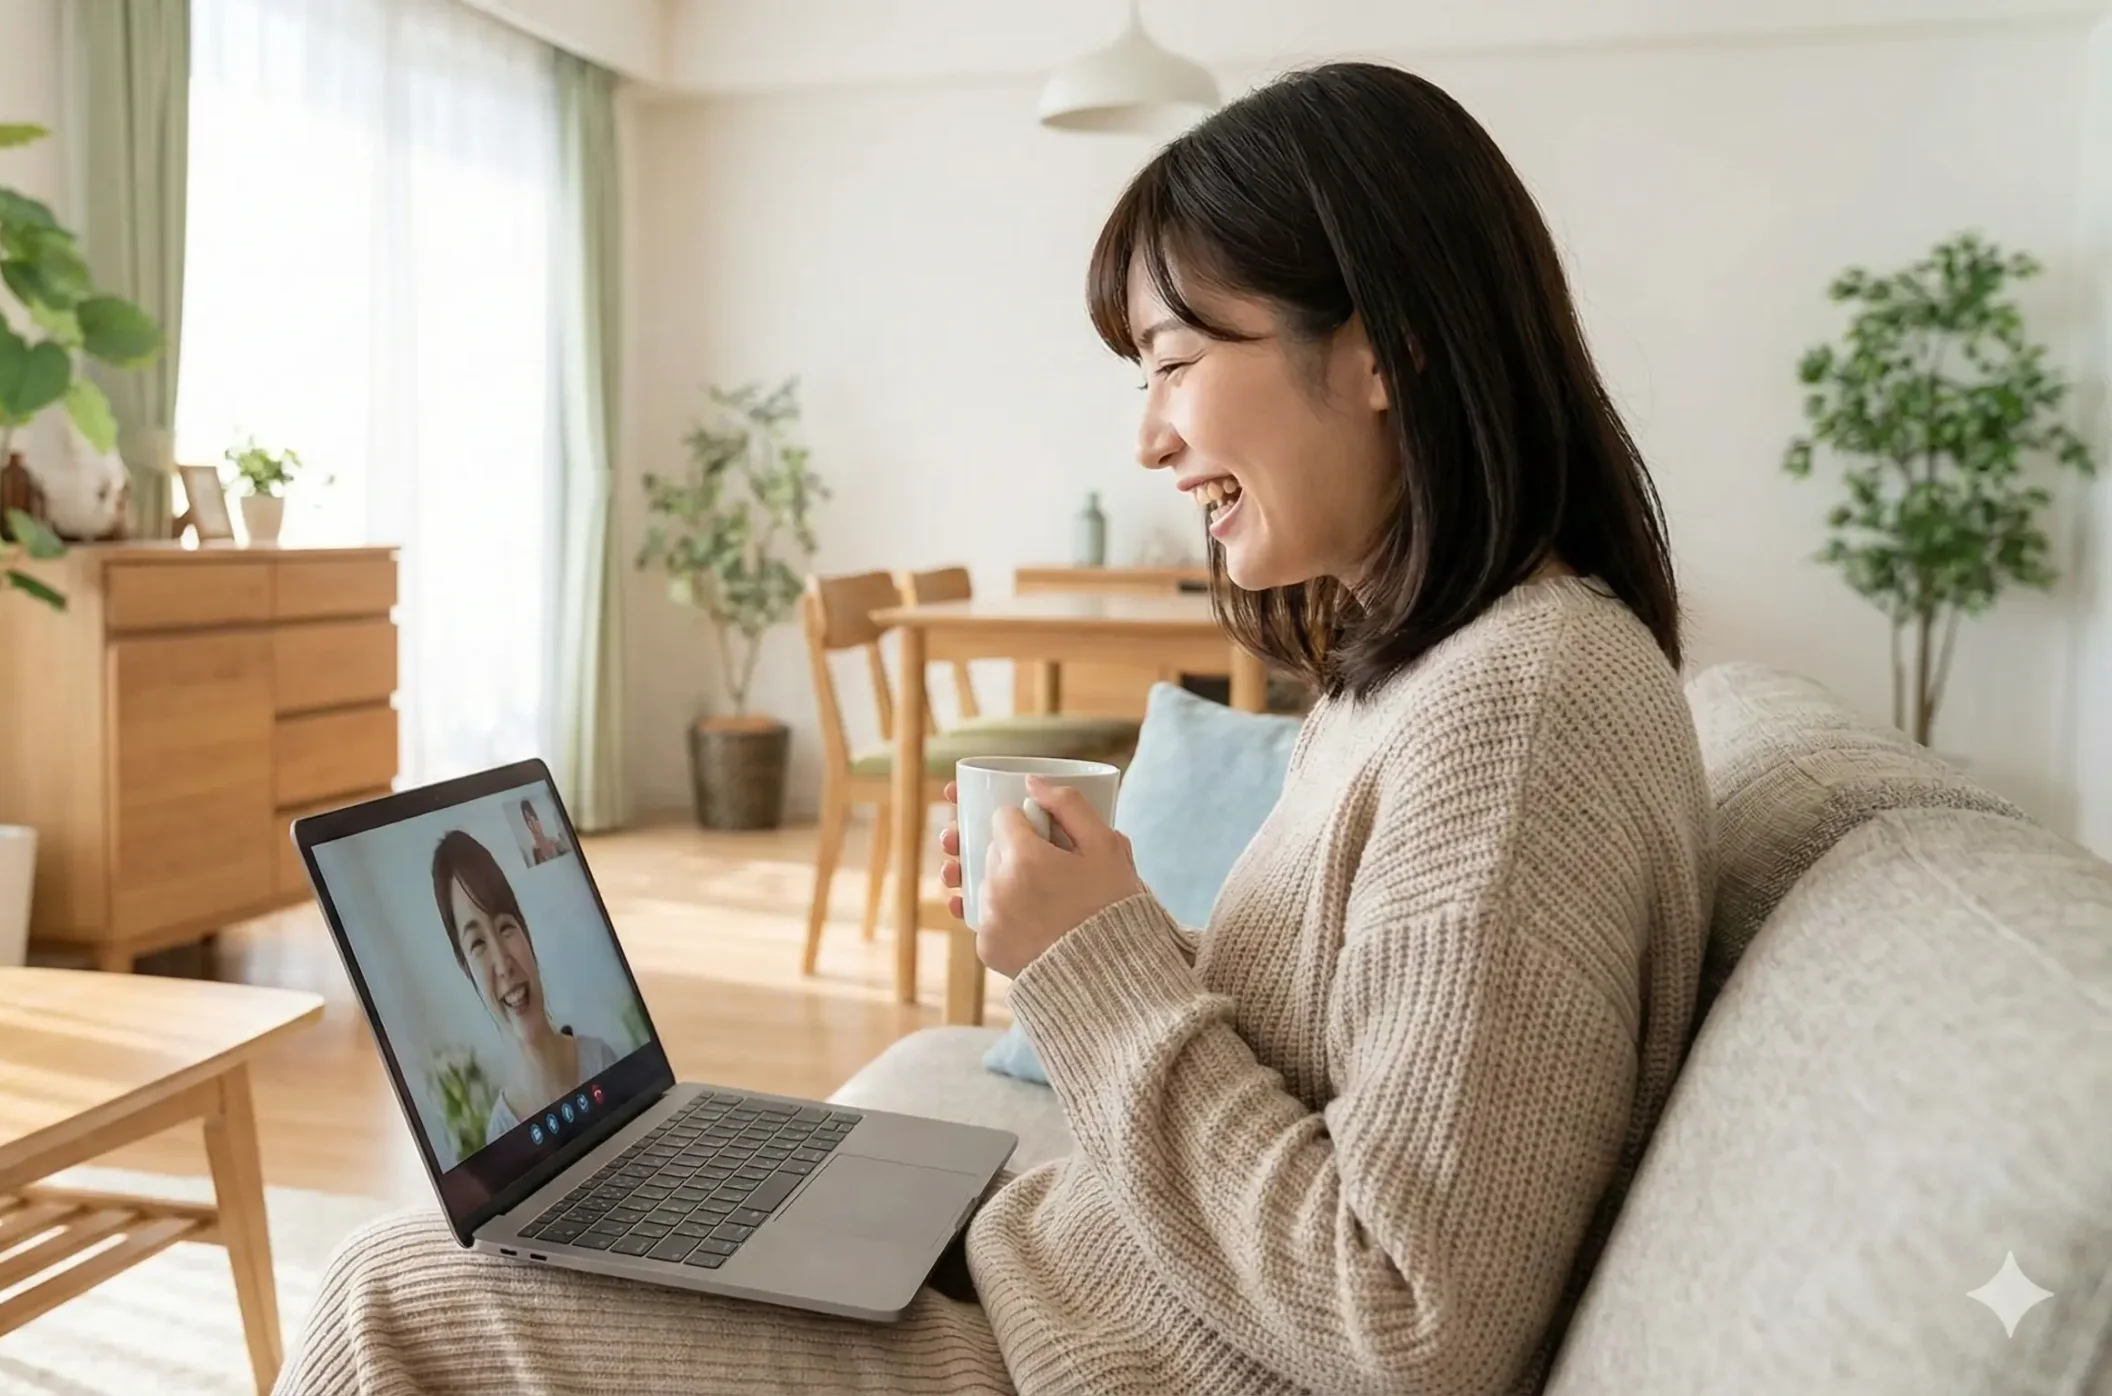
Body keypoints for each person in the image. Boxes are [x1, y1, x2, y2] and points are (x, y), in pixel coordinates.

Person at [278, 61, 1710, 1396]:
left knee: (395, 1289)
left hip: (1048, 1363)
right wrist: (1113, 935)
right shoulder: (1427, 675)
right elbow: (1360, 1049)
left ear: (1383, 351)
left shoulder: (1521, 712)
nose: (1149, 438)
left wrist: (1100, 964)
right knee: (535, 1228)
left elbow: (1403, 1316)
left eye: (1172, 360)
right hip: (1067, 1282)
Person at [428, 829, 620, 1144]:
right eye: (477, 943)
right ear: (467, 971)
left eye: (505, 927)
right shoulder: (502, 1135)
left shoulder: (601, 1060)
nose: (503, 965)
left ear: (526, 936)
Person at [519, 798, 568, 866]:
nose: (534, 824)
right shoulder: (534, 852)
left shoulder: (555, 842)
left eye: (535, 818)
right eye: (528, 821)